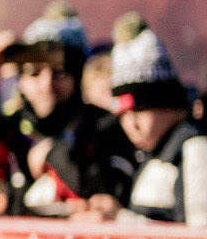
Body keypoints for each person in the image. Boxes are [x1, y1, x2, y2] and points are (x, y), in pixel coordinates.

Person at [0, 2, 121, 215]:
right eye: (34, 72)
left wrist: (54, 154)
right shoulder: (10, 130)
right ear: (19, 79)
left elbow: (105, 191)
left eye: (60, 72)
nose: (46, 85)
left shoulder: (105, 127)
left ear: (77, 76)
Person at [75, 26, 207, 225]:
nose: (131, 125)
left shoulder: (194, 149)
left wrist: (120, 220)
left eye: (140, 110)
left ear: (168, 103)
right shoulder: (154, 150)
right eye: (123, 115)